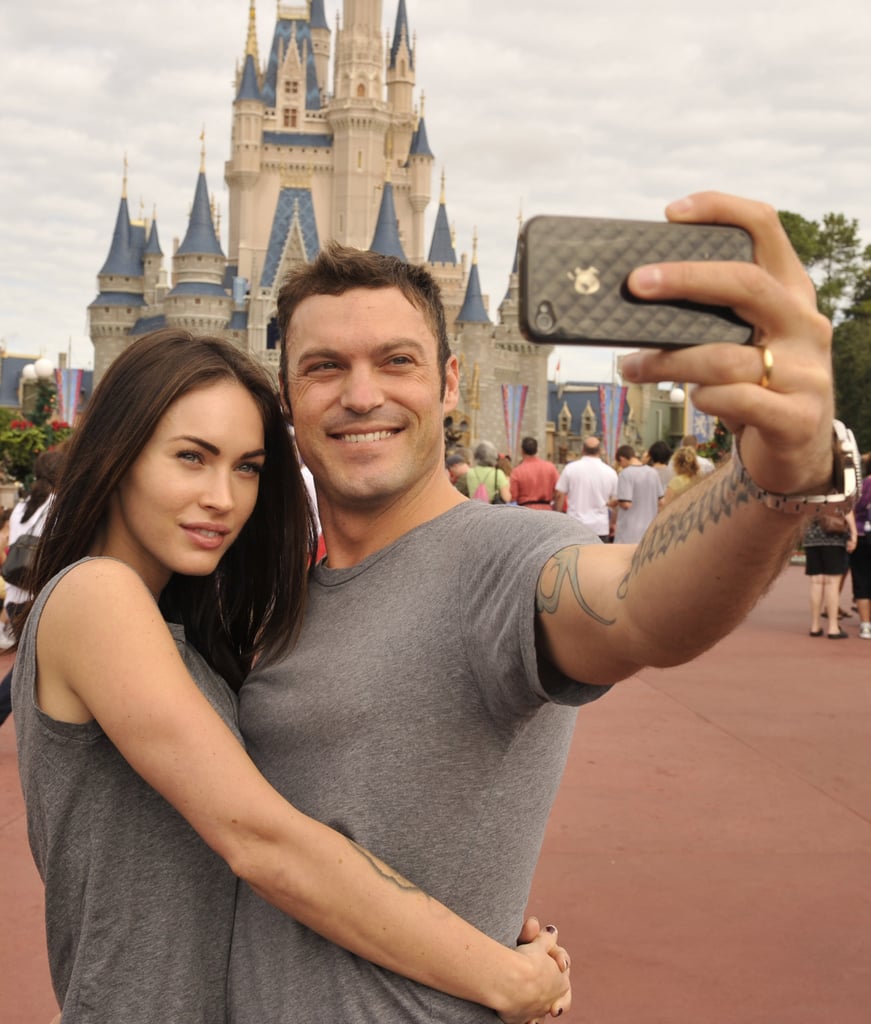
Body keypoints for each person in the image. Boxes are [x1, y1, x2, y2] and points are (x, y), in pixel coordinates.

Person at [228, 190, 843, 1022]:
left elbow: (640, 606)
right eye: (324, 366)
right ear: (286, 394)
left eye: (397, 361)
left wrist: (776, 471)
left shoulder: (500, 562)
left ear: (451, 381)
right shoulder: (278, 595)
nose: (360, 394)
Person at [12, 329, 571, 1023]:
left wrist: (469, 919)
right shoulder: (98, 597)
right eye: (192, 457)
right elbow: (261, 839)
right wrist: (497, 975)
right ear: (117, 456)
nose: (223, 497)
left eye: (247, 467)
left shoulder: (178, 632)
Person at [0, 450, 66, 725]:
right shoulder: (57, 506)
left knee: (33, 668)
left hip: (16, 596)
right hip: (37, 599)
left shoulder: (24, 506)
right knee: (28, 670)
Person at [803, 502, 858, 638]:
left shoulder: (809, 486)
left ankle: (815, 626)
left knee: (816, 581)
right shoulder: (837, 484)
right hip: (834, 535)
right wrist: (854, 533)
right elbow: (846, 508)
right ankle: (833, 628)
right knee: (832, 583)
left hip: (811, 536)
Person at [554, 436, 618, 541]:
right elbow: (615, 502)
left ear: (582, 450)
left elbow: (560, 495)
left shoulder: (570, 469)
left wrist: (558, 519)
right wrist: (613, 523)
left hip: (575, 525)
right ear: (600, 451)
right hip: (600, 527)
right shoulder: (610, 472)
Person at [612, 444, 664, 543]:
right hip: (649, 530)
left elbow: (626, 504)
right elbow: (661, 501)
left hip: (629, 533)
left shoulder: (626, 473)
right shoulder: (653, 472)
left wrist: (615, 502)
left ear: (622, 459)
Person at [849, 452, 871, 639]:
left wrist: (853, 535)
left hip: (862, 535)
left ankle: (865, 625)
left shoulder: (862, 485)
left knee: (862, 580)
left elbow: (852, 510)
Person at [510, 437, 560, 510]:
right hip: (546, 510)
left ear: (522, 451)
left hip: (525, 510)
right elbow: (558, 491)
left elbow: (513, 496)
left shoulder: (517, 471)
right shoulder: (551, 468)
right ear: (536, 450)